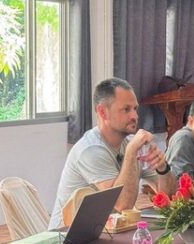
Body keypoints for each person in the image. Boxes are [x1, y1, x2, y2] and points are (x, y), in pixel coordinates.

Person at [48, 78, 175, 229]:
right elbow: (122, 205)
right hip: (64, 237)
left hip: (105, 232)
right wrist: (131, 152)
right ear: (103, 112)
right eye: (126, 109)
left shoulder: (132, 143)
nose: (135, 116)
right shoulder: (91, 150)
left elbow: (168, 197)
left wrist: (163, 168)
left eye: (135, 108)